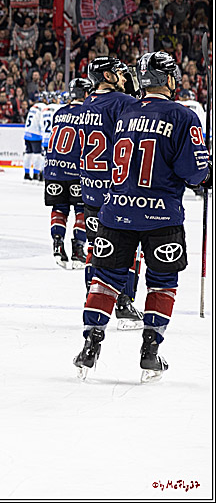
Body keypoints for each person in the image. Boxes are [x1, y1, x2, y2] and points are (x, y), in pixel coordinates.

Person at [74, 52, 211, 382]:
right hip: (161, 217)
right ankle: (150, 351)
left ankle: (90, 346)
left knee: (105, 279)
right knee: (163, 282)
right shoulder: (183, 115)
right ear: (166, 79)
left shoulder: (125, 113)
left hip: (116, 211)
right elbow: (194, 173)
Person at [76, 56, 144, 328]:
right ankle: (124, 302)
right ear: (106, 76)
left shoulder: (86, 104)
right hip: (117, 189)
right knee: (130, 247)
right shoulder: (122, 102)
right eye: (120, 73)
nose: (125, 77)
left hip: (91, 189)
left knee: (96, 246)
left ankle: (92, 295)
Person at [43, 79, 91, 270]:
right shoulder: (88, 114)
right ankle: (78, 249)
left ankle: (57, 244)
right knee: (82, 209)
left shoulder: (59, 112)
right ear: (86, 94)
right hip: (76, 169)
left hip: (53, 168)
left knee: (59, 207)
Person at [23, 92, 47, 181]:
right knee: (38, 155)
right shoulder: (44, 107)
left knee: (28, 153)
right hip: (36, 133)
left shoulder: (33, 106)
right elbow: (42, 122)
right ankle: (36, 174)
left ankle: (26, 173)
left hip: (27, 132)